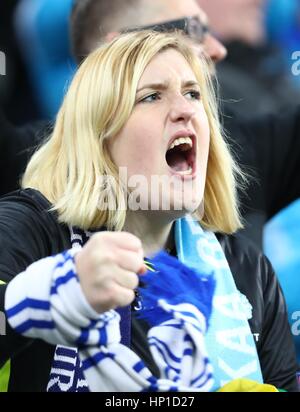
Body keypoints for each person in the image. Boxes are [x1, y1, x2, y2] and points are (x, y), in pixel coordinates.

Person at [0, 30, 297, 392]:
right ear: (98, 135)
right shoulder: (30, 228)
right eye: (152, 96)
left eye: (193, 94)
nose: (186, 110)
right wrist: (36, 302)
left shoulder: (247, 269)